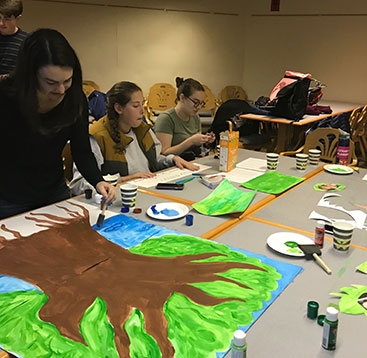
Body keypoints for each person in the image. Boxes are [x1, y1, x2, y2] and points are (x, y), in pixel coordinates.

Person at [0, 28, 116, 219]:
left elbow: (82, 150)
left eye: (67, 80)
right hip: (9, 199)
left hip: (54, 193)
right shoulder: (6, 97)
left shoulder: (74, 98)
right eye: (50, 82)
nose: (61, 90)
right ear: (30, 75)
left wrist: (98, 181)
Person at [69, 81, 200, 195]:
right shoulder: (97, 135)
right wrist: (127, 178)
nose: (142, 111)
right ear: (119, 108)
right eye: (136, 106)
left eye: (142, 104)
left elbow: (154, 160)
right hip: (119, 200)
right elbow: (79, 184)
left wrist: (173, 159)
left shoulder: (141, 128)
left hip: (149, 191)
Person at [154, 77, 215, 161]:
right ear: (182, 97)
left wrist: (205, 141)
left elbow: (197, 147)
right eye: (196, 102)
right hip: (173, 166)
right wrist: (191, 141)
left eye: (201, 103)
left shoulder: (195, 117)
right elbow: (163, 153)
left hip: (192, 161)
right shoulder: (166, 118)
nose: (199, 107)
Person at [0, 0, 27, 76]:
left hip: (13, 86)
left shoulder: (27, 42)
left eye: (7, 19)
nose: (1, 23)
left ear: (18, 18)